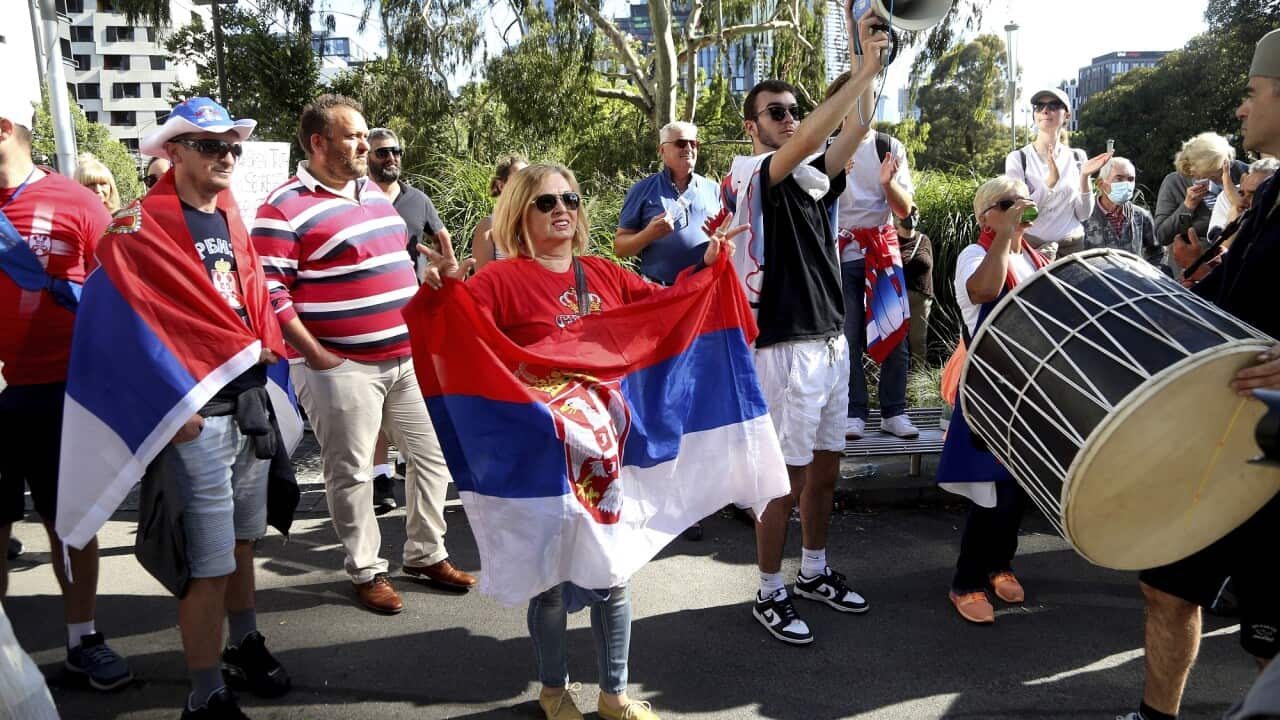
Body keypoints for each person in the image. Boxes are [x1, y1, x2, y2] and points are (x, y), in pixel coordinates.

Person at [421, 162, 740, 720]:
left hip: (606, 460)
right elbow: (464, 334)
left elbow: (664, 309)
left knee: (612, 574)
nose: (562, 209)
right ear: (520, 212)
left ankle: (614, 695)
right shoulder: (500, 280)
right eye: (546, 202)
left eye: (569, 197)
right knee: (548, 583)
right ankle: (552, 691)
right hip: (543, 464)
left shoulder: (606, 273)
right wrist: (446, 290)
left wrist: (707, 266)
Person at [252, 94, 474, 615]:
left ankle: (425, 554)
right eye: (352, 135)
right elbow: (270, 293)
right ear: (317, 142)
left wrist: (439, 280)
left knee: (432, 456)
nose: (365, 143)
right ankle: (366, 569)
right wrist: (316, 355)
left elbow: (396, 269)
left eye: (365, 133)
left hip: (404, 358)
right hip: (340, 366)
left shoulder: (372, 192)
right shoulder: (281, 206)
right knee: (350, 472)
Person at [1119, 29, 1280, 720]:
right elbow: (1239, 299)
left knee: (1272, 635)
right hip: (1217, 438)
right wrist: (1186, 277)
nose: (1241, 112)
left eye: (1253, 94)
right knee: (1166, 586)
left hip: (1275, 455)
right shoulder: (1272, 196)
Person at [722, 2, 888, 645]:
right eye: (777, 112)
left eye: (795, 110)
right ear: (752, 127)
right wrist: (858, 72)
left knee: (825, 471)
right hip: (784, 347)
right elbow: (815, 137)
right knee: (782, 480)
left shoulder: (814, 179)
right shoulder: (752, 174)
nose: (790, 119)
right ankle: (769, 588)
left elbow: (853, 132)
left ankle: (814, 570)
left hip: (828, 342)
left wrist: (864, 69)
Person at [136, 96, 293, 720]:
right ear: (173, 151)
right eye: (210, 145)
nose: (226, 156)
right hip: (196, 418)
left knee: (242, 543)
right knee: (206, 564)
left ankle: (244, 643)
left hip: (248, 404)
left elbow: (251, 303)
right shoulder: (139, 226)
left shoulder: (232, 217)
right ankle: (205, 693)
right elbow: (128, 328)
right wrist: (170, 409)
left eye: (233, 146)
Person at [0, 96, 132, 691]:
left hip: (57, 392)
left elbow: (121, 299)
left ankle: (83, 638)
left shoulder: (75, 202)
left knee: (69, 523)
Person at [943, 176, 1048, 624]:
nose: (1018, 207)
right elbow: (983, 293)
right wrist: (1006, 233)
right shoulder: (974, 254)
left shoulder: (1034, 258)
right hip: (989, 386)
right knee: (990, 488)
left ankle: (1000, 564)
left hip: (1028, 387)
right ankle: (966, 582)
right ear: (985, 215)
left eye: (1022, 201)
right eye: (1006, 203)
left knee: (1018, 488)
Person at [365, 126, 453, 515]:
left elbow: (442, 242)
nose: (391, 159)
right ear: (367, 156)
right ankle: (380, 475)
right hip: (371, 314)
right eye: (382, 152)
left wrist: (445, 269)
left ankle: (401, 464)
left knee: (410, 395)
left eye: (396, 151)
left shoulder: (417, 200)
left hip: (415, 311)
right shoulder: (357, 199)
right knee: (379, 400)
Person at [834, 92, 917, 440]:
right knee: (848, 335)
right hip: (840, 251)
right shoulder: (827, 147)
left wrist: (888, 183)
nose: (860, 108)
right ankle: (854, 411)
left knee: (895, 330)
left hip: (881, 249)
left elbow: (905, 208)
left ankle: (893, 411)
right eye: (853, 100)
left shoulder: (888, 146)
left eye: (865, 100)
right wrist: (834, 175)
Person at [1005, 87, 1110, 260]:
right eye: (1039, 106)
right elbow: (1020, 214)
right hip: (1030, 249)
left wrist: (1084, 177)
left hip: (1071, 248)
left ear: (1067, 115)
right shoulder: (1018, 158)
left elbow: (1083, 214)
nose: (1045, 110)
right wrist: (1050, 183)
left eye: (1053, 106)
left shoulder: (1077, 156)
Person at [615, 121, 722, 285]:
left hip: (705, 292)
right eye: (681, 143)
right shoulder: (642, 190)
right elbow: (620, 249)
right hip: (659, 293)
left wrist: (721, 240)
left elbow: (729, 242)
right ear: (662, 150)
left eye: (693, 143)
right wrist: (647, 235)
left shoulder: (715, 189)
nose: (688, 148)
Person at [1154, 132, 1237, 275]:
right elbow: (1162, 235)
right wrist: (1188, 207)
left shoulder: (1243, 173)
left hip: (1234, 266)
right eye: (1204, 175)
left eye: (1216, 173)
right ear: (1189, 169)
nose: (1213, 180)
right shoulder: (1174, 182)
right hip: (1189, 272)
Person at [1082, 156, 1163, 266]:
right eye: (1119, 179)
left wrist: (1147, 276)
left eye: (1130, 179)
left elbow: (1156, 252)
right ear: (1101, 184)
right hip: (1094, 281)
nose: (1126, 184)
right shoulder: (1084, 216)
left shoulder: (1141, 216)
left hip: (1132, 281)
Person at [471, 154, 528, 270]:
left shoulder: (540, 220)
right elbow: (483, 282)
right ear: (501, 185)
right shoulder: (488, 226)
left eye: (528, 178)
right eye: (518, 178)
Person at [894, 207, 934, 367]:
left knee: (919, 342)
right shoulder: (891, 240)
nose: (911, 216)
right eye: (907, 212)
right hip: (896, 299)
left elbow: (930, 267)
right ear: (896, 218)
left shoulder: (924, 240)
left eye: (915, 212)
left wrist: (929, 295)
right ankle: (897, 379)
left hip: (921, 298)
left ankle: (918, 384)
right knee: (896, 343)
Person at [1209, 157, 1279, 238]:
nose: (1242, 201)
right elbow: (1215, 238)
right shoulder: (1226, 198)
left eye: (1253, 194)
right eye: (1241, 193)